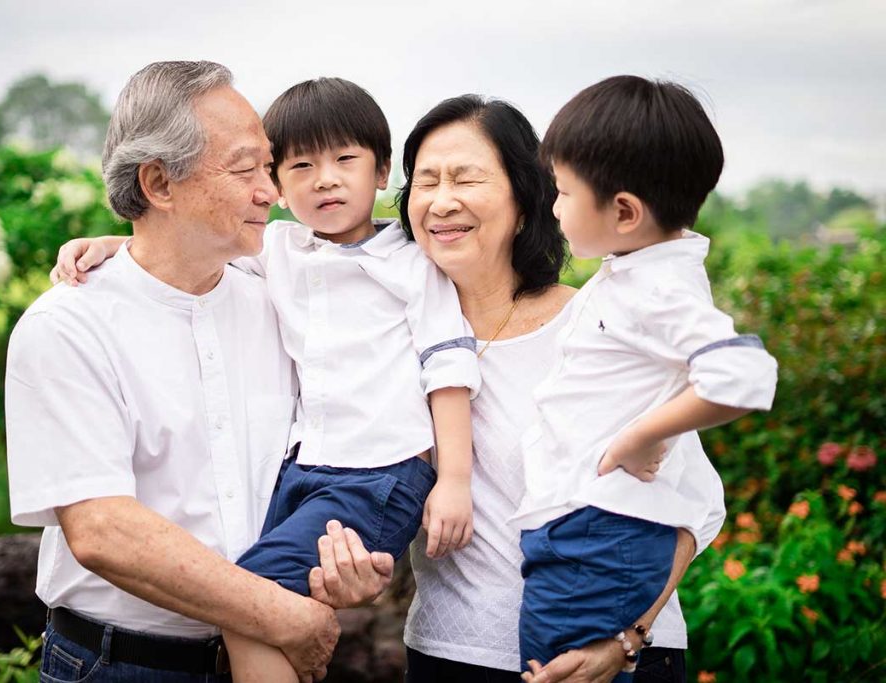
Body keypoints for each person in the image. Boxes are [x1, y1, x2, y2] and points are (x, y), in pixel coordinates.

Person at [53, 91, 726, 683]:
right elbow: (216, 260)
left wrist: (625, 638)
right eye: (426, 180)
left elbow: (693, 506)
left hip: (599, 657)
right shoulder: (377, 317)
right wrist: (122, 247)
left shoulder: (603, 324)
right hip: (450, 652)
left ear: (528, 194)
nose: (441, 200)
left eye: (465, 178)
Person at [47, 76, 480, 683]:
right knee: (263, 602)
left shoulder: (411, 261)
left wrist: (454, 477)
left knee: (256, 594)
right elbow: (171, 248)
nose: (324, 178)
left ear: (382, 171)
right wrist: (112, 244)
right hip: (301, 477)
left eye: (345, 160)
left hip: (381, 470)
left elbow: (448, 366)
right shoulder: (277, 252)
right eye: (295, 165)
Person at [512, 76, 778, 680]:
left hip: (600, 534)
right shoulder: (634, 274)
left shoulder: (658, 288)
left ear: (625, 211)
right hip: (585, 530)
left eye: (563, 192)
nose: (553, 208)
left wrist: (644, 435)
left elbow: (743, 373)